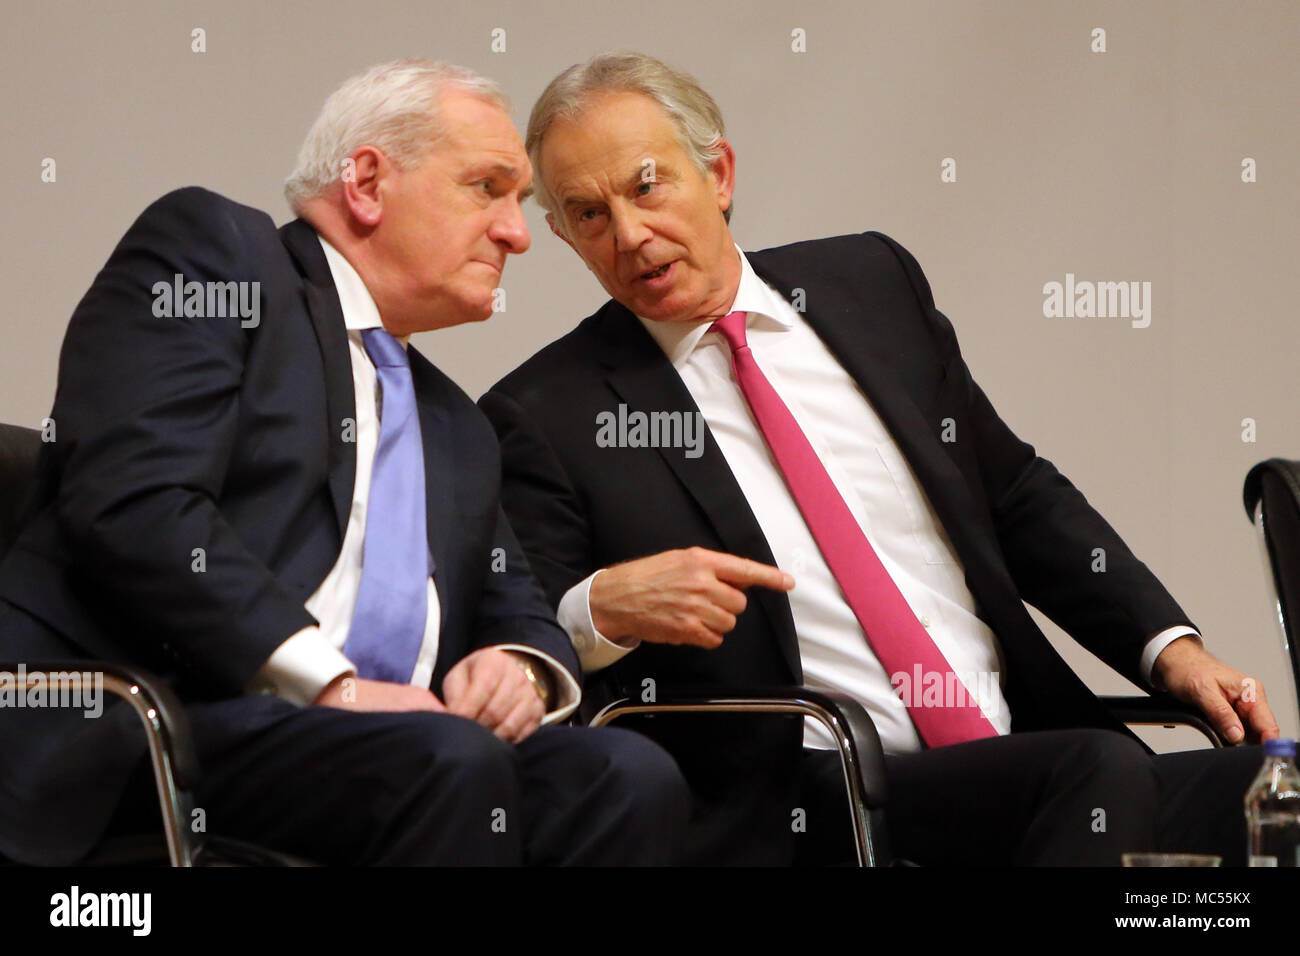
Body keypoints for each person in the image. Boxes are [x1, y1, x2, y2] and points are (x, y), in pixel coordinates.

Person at [479, 52, 1279, 865]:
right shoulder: (547, 413)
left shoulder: (869, 284)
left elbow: (1015, 494)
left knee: (1274, 792)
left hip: (1020, 755)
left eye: (646, 186)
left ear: (717, 172)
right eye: (587, 214)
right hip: (819, 800)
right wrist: (601, 610)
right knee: (1092, 772)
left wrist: (1169, 648)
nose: (628, 234)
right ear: (563, 235)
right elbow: (521, 633)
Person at [0, 58, 688, 866]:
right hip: (160, 729)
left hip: (388, 757)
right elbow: (135, 504)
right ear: (366, 182)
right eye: (487, 188)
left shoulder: (458, 425)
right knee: (448, 762)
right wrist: (334, 685)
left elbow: (513, 599)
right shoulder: (220, 259)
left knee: (622, 774)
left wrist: (520, 666)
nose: (518, 233)